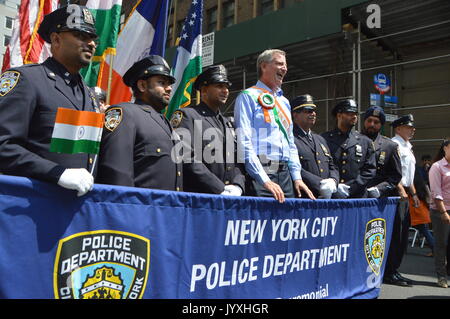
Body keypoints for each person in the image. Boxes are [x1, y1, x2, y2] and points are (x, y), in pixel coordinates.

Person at [0, 5, 99, 196]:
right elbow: (3, 145)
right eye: (81, 35)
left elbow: (83, 155)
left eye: (93, 38)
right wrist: (56, 173)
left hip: (79, 213)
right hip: (35, 205)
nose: (91, 43)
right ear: (56, 39)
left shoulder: (90, 96)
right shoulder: (27, 80)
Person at [233, 49, 315, 203]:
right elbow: (244, 142)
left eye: (285, 65)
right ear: (264, 66)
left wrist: (297, 177)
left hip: (285, 174)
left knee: (287, 222)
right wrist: (264, 180)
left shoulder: (284, 102)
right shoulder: (248, 96)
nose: (285, 68)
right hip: (261, 171)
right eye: (279, 64)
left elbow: (290, 143)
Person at [96, 55, 183, 191]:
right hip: (140, 209)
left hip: (168, 208)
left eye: (169, 84)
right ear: (142, 85)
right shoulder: (124, 113)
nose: (169, 88)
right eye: (162, 83)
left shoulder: (164, 122)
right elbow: (117, 173)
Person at [170, 65, 245, 195]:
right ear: (204, 90)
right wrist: (219, 188)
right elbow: (186, 157)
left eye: (226, 87)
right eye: (219, 86)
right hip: (201, 197)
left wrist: (238, 185)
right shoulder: (188, 116)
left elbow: (238, 159)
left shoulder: (228, 123)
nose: (225, 91)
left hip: (231, 198)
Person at [387, 114, 419, 286]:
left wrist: (413, 194)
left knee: (403, 233)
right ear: (398, 128)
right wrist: (401, 189)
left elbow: (409, 175)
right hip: (397, 192)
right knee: (396, 234)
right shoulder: (394, 144)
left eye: (412, 127)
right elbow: (394, 170)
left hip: (406, 192)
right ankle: (390, 271)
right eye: (409, 127)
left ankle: (395, 269)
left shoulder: (408, 146)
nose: (412, 129)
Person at [321, 99, 376, 199]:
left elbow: (369, 171)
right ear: (339, 115)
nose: (354, 116)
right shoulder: (324, 139)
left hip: (357, 197)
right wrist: (335, 186)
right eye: (349, 113)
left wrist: (351, 188)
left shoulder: (365, 141)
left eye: (355, 113)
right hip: (332, 196)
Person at [290, 94, 339, 199]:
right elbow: (292, 167)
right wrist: (319, 183)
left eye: (313, 111)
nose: (313, 114)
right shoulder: (290, 138)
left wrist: (333, 181)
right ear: (295, 114)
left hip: (326, 198)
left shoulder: (320, 139)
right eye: (308, 111)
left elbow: (332, 166)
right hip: (304, 197)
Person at [428, 138, 450, 288]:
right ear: (446, 148)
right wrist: (443, 212)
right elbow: (436, 193)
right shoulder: (437, 167)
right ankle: (441, 276)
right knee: (441, 244)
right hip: (441, 211)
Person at [409, 169, 434, 257]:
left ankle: (435, 250)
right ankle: (435, 250)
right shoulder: (422, 184)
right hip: (422, 210)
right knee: (425, 231)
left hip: (416, 211)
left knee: (425, 231)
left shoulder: (412, 184)